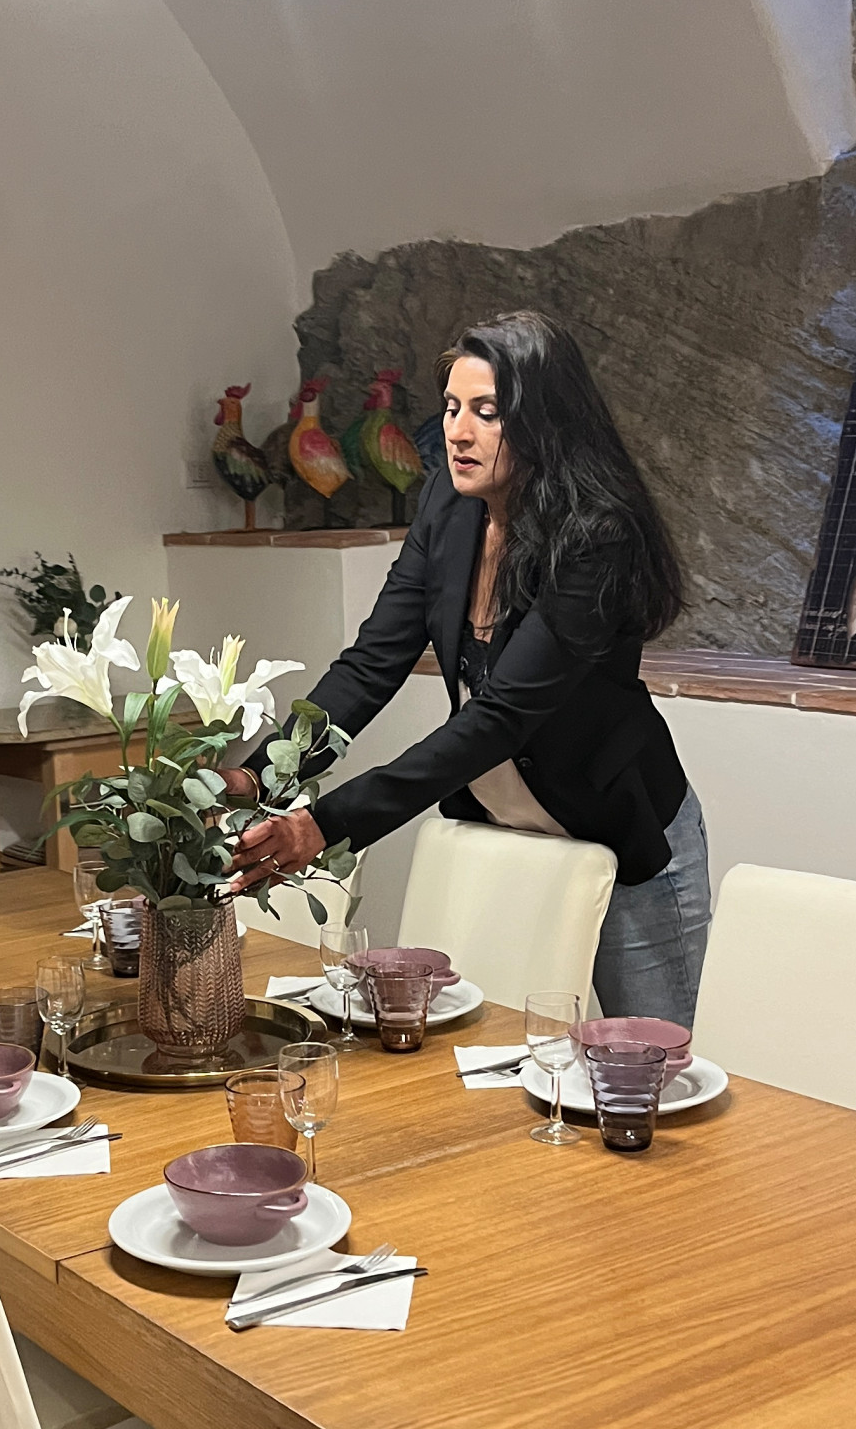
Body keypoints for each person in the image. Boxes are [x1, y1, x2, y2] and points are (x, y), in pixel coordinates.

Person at [228, 312, 710, 1025]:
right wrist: (261, 777)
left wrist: (325, 823)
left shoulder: (596, 537)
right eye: (452, 407)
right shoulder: (447, 507)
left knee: (645, 1062)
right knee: (491, 1048)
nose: (457, 431)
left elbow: (501, 718)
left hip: (624, 832)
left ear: (544, 421)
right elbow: (371, 664)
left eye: (487, 412)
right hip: (506, 832)